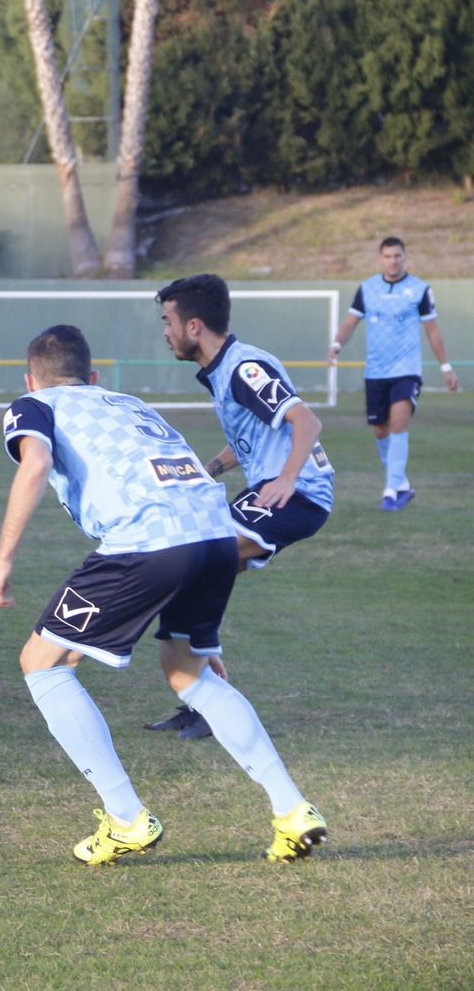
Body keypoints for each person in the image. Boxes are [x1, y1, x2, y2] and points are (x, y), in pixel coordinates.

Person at [0, 324, 327, 865]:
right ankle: (292, 810)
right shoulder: (128, 402)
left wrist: (2, 560)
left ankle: (126, 819)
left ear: (30, 380)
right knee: (190, 672)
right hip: (216, 534)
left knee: (42, 663)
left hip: (146, 542)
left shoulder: (34, 404)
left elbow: (37, 463)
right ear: (94, 376)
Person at [146, 273, 336, 740]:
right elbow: (252, 436)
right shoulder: (224, 370)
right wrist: (207, 470)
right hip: (271, 491)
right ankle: (202, 702)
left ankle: (210, 694)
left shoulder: (244, 368)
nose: (165, 331)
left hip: (296, 494)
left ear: (194, 326)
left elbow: (305, 421)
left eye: (168, 321)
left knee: (197, 559)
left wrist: (287, 478)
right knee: (189, 576)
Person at [328, 236, 459, 511]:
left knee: (398, 423)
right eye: (388, 256)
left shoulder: (420, 289)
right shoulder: (367, 288)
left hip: (406, 370)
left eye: (398, 256)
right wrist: (337, 344)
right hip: (376, 371)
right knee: (380, 430)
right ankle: (402, 485)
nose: (393, 261)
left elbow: (432, 330)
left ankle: (390, 490)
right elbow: (350, 322)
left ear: (405, 257)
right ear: (380, 259)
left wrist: (445, 367)